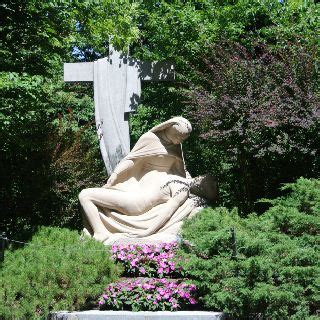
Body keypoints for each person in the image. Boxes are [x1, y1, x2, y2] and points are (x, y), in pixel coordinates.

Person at [79, 117, 216, 243]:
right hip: (136, 188)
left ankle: (100, 232)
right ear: (169, 128)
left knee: (85, 195)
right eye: (177, 137)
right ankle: (98, 231)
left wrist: (147, 233)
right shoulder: (150, 139)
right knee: (92, 195)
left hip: (138, 199)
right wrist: (115, 174)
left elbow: (181, 169)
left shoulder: (180, 184)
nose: (178, 142)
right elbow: (132, 160)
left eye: (181, 139)